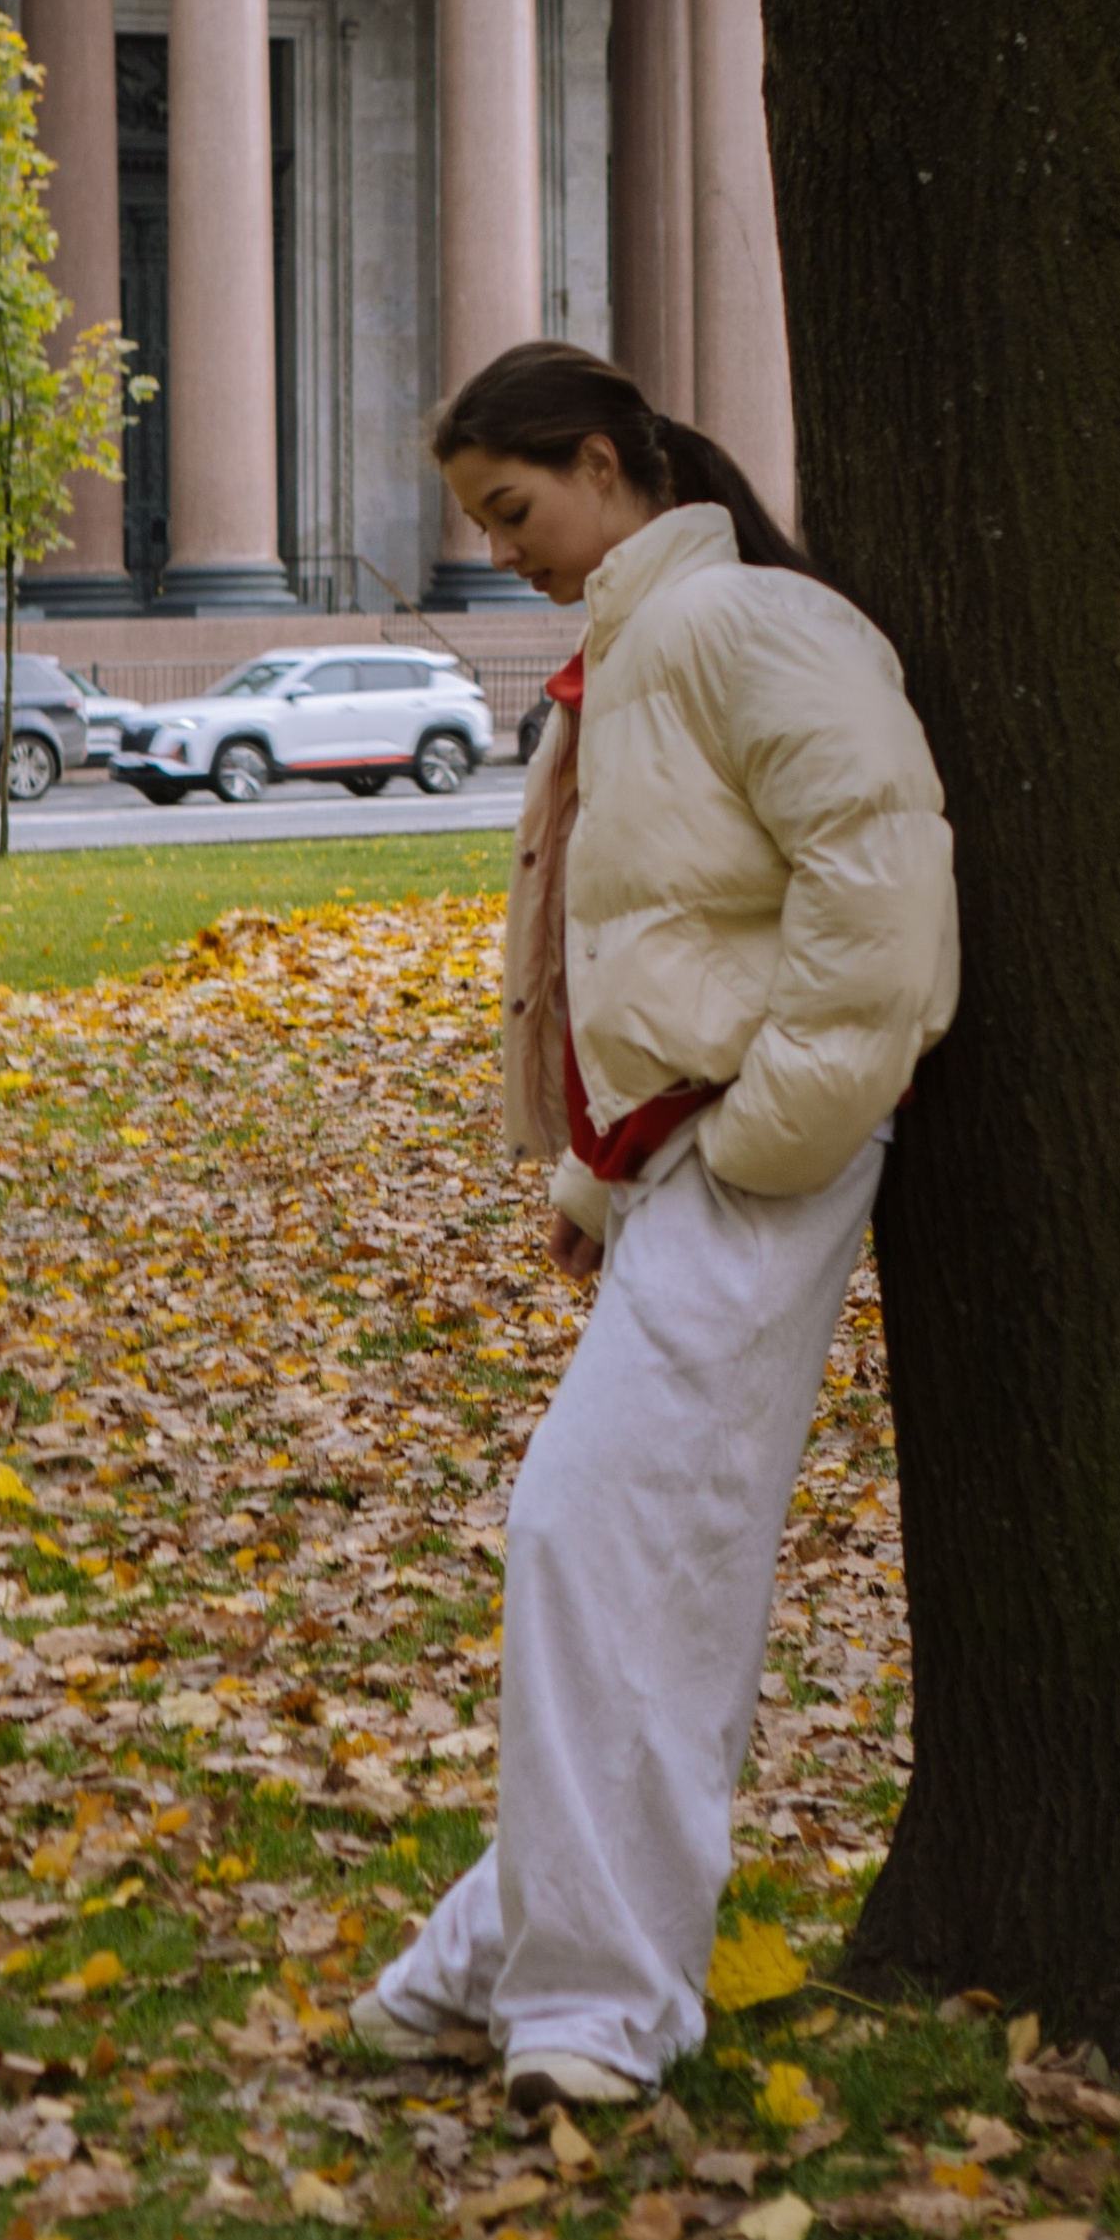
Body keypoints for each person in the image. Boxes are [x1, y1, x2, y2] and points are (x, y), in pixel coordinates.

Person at [352, 342, 959, 2111]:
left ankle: (595, 2009)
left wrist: (767, 1133)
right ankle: (500, 1966)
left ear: (606, 463)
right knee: (618, 1558)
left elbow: (879, 877)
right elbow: (650, 955)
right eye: (480, 520)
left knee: (594, 1541)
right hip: (690, 1162)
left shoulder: (740, 625)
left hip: (757, 1160)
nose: (501, 547)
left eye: (514, 508)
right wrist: (598, 1179)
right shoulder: (635, 650)